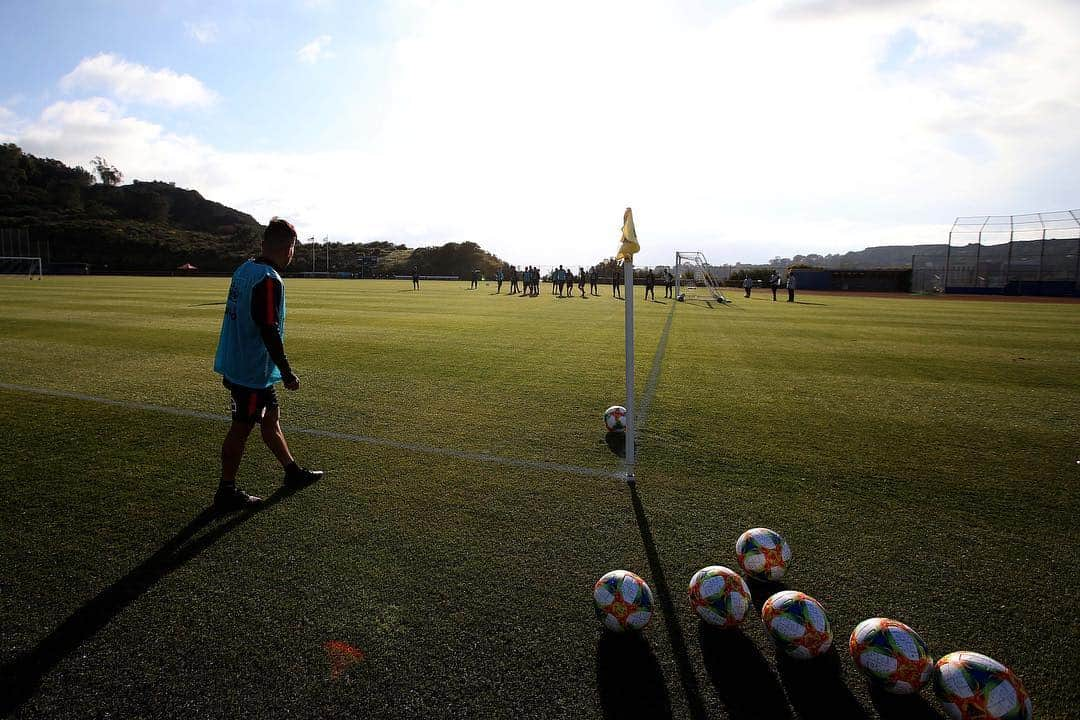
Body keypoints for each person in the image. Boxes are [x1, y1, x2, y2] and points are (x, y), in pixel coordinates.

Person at [213, 218, 323, 510]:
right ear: (288, 248)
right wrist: (286, 372)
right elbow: (268, 328)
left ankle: (292, 472)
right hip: (251, 370)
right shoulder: (268, 279)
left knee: (271, 416)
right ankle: (226, 490)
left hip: (244, 364)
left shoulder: (244, 269)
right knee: (241, 427)